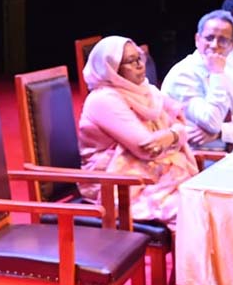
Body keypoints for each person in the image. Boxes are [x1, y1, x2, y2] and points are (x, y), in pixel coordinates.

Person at [78, 36, 198, 228]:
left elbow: (183, 124)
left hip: (154, 173)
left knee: (207, 201)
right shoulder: (103, 99)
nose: (140, 65)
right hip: (115, 183)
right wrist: (175, 134)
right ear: (112, 69)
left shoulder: (146, 91)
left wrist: (172, 134)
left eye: (139, 58)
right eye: (130, 61)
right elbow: (146, 148)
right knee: (193, 210)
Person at [162, 10, 233, 147]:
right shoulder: (183, 73)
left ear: (231, 46)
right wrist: (216, 74)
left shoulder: (230, 71)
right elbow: (211, 122)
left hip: (229, 151)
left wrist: (222, 132)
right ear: (197, 39)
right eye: (209, 38)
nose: (214, 45)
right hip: (193, 154)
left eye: (222, 40)